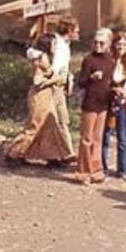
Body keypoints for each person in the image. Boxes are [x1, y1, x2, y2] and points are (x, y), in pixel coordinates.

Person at [4, 35, 71, 166]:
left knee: (50, 125)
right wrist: (55, 80)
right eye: (54, 44)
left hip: (47, 95)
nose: (56, 47)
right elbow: (37, 81)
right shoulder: (40, 58)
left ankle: (52, 157)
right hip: (39, 96)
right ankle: (14, 153)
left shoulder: (44, 57)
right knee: (35, 125)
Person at [76, 27, 114, 185]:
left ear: (108, 44)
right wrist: (91, 77)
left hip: (103, 103)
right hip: (90, 104)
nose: (98, 45)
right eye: (96, 42)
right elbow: (81, 82)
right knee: (87, 138)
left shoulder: (110, 60)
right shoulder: (89, 60)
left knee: (98, 139)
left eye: (102, 43)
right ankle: (83, 172)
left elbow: (110, 81)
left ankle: (96, 171)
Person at [101, 29, 126, 180]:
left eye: (124, 44)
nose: (121, 47)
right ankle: (102, 167)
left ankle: (123, 169)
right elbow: (105, 80)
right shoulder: (109, 60)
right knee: (106, 136)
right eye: (118, 44)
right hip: (109, 100)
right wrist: (114, 88)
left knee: (122, 137)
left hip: (123, 101)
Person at [49, 17, 79, 161]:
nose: (78, 32)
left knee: (61, 120)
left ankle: (63, 153)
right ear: (70, 29)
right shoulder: (54, 41)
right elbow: (32, 51)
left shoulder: (66, 45)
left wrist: (70, 78)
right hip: (52, 86)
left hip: (60, 86)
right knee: (57, 119)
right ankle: (66, 153)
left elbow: (64, 66)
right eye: (76, 29)